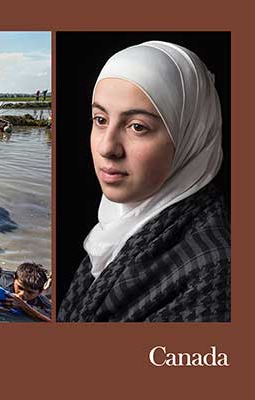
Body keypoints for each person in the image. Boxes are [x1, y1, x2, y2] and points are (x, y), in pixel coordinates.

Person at [58, 41, 230, 322]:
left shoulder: (213, 273)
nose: (107, 147)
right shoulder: (121, 224)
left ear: (191, 135)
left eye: (137, 126)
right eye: (100, 119)